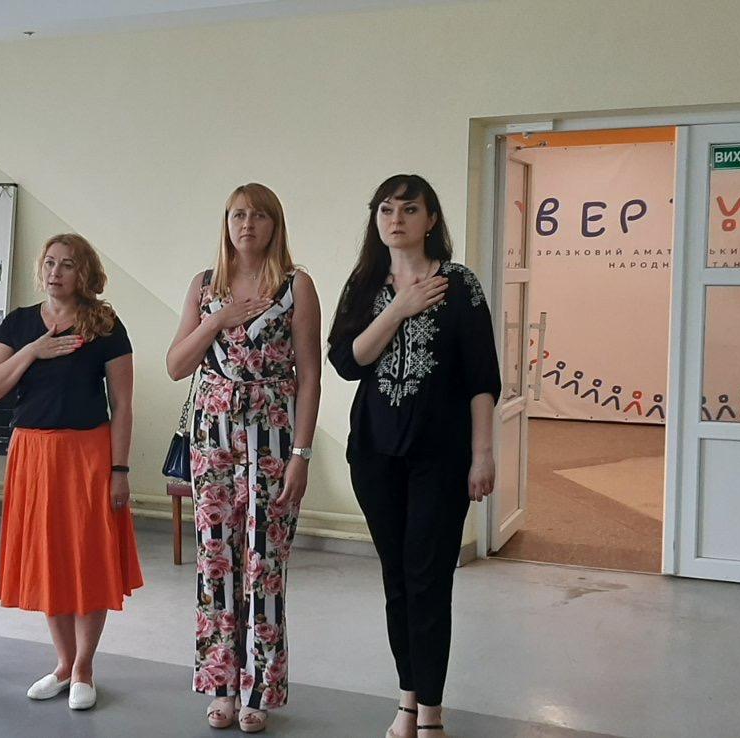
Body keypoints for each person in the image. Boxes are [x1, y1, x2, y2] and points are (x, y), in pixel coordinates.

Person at [326, 174, 500, 738]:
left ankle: (431, 714)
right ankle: (407, 701)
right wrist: (398, 308)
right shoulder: (364, 284)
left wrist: (482, 455)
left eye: (409, 209)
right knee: (397, 580)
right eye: (386, 209)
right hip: (374, 454)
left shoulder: (459, 285)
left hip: (441, 457)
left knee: (429, 579)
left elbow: (482, 378)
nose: (396, 219)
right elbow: (347, 361)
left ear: (431, 220)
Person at [165, 183, 322, 734]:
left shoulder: (296, 286)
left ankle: (259, 689)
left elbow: (309, 376)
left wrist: (301, 454)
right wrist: (217, 319)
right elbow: (176, 365)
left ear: (275, 223)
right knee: (215, 558)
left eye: (258, 215)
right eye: (237, 215)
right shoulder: (204, 285)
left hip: (273, 435)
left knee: (264, 560)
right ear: (225, 222)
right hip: (213, 436)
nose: (247, 224)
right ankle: (221, 685)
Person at [0, 233, 142, 711]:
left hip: (87, 453)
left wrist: (119, 468)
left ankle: (85, 667)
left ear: (84, 272)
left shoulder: (105, 325)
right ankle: (64, 664)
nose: (56, 272)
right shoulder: (20, 323)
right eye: (50, 262)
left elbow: (123, 405)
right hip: (32, 454)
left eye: (67, 264)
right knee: (48, 558)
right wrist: (33, 351)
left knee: (87, 559)